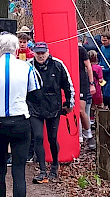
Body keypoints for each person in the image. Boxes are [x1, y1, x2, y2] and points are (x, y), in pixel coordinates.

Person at [0, 34, 42, 197]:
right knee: (19, 172)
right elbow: (37, 97)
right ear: (16, 48)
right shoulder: (27, 67)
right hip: (20, 121)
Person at [27, 42, 74, 183]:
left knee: (52, 138)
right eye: (38, 53)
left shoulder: (58, 65)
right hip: (34, 107)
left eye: (43, 53)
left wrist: (69, 104)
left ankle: (54, 164)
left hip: (53, 107)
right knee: (38, 136)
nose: (40, 56)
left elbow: (68, 85)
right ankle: (42, 170)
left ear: (47, 52)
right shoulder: (28, 66)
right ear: (34, 52)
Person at [77, 37, 96, 149]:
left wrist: (91, 83)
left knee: (81, 110)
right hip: (68, 81)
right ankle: (78, 137)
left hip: (81, 82)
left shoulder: (81, 50)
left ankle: (88, 134)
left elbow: (88, 66)